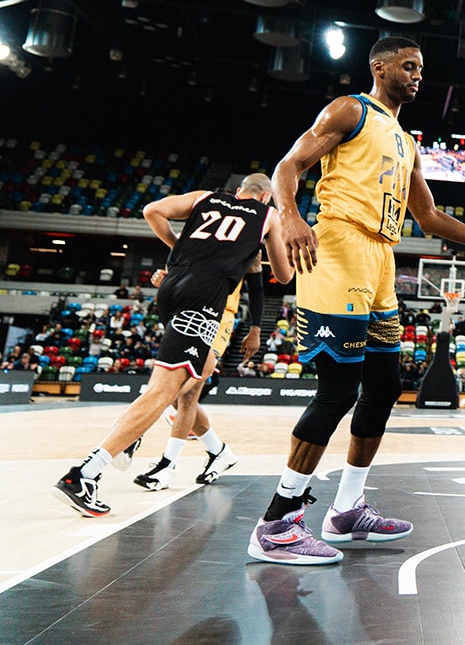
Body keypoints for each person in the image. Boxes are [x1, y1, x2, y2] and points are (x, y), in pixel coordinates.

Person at [249, 36, 465, 566]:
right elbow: (286, 168)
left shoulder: (408, 142)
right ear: (379, 66)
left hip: (382, 261)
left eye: (421, 67)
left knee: (385, 386)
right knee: (338, 389)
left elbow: (431, 218)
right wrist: (292, 216)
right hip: (337, 250)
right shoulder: (350, 110)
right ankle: (276, 523)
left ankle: (346, 510)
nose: (417, 75)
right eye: (409, 66)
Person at [54, 175, 295, 517]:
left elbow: (152, 210)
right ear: (266, 196)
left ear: (239, 190)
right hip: (205, 296)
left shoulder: (204, 197)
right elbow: (283, 277)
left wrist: (178, 249)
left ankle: (166, 445)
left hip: (172, 286)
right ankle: (85, 473)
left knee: (175, 387)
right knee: (167, 390)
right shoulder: (267, 216)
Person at [135, 259, 264, 491]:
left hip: (219, 316)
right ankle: (218, 451)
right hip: (186, 311)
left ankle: (167, 465)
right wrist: (165, 282)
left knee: (188, 392)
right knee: (177, 396)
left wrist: (255, 328)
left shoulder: (248, 236)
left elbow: (256, 287)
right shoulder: (196, 235)